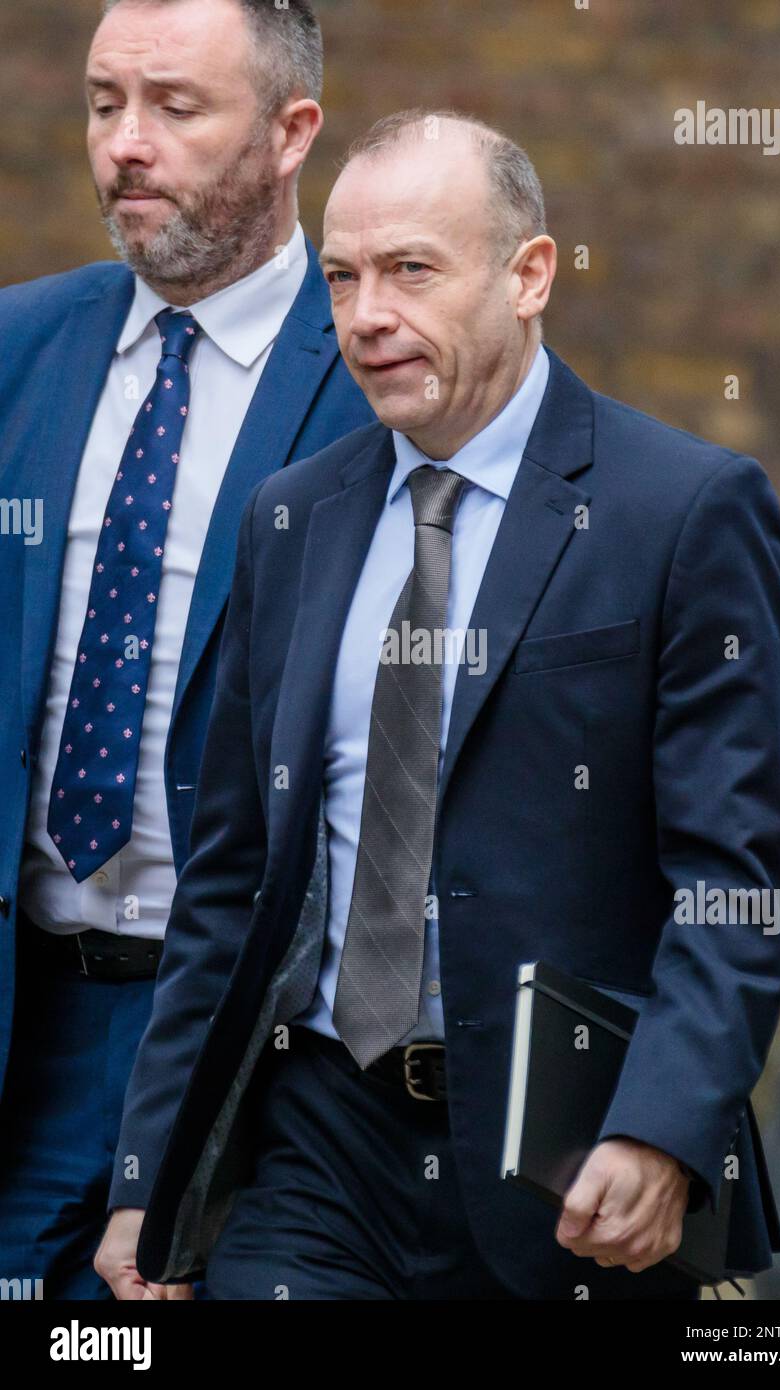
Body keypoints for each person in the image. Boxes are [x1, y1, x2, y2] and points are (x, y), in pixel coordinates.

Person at [99, 110, 780, 1301]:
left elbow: (731, 876)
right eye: (341, 275)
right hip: (316, 1147)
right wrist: (147, 1181)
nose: (367, 314)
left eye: (411, 270)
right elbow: (226, 887)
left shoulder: (681, 511)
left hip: (568, 1166)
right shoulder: (291, 518)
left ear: (529, 276)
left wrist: (664, 1125)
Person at [0, 0, 371, 1301]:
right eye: (105, 103)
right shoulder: (17, 348)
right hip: (26, 1017)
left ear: (289, 132)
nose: (125, 145)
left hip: (252, 1059)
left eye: (175, 105)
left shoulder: (376, 382)